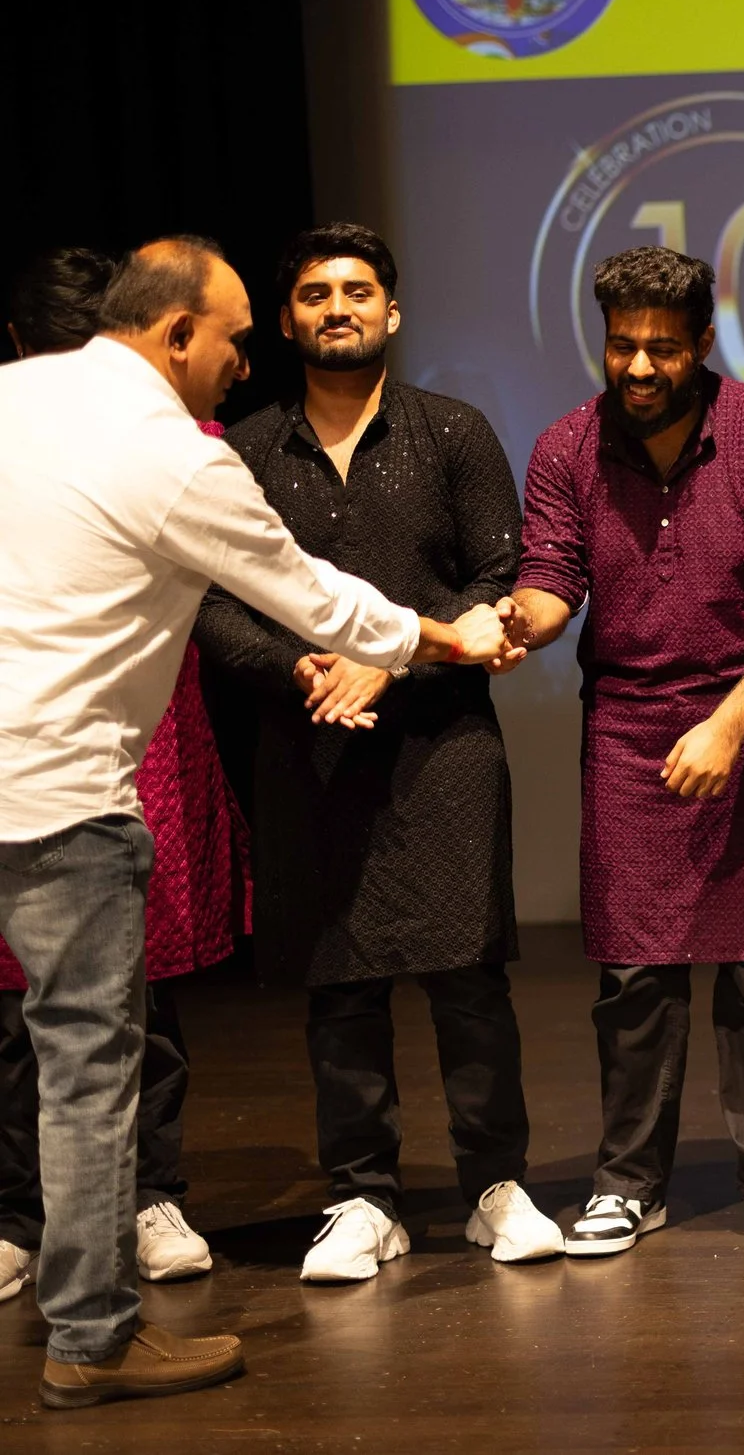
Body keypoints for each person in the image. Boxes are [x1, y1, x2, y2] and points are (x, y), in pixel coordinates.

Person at [0, 236, 516, 1408]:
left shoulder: (14, 396)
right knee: (86, 1069)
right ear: (177, 331)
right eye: (233, 339)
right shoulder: (177, 454)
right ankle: (90, 1337)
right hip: (59, 792)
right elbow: (308, 594)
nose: (241, 364)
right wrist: (442, 635)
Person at [191, 224, 561, 1282]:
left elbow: (495, 578)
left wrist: (386, 663)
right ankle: (363, 1197)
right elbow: (213, 600)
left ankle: (496, 1186)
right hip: (308, 740)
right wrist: (302, 669)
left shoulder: (452, 431)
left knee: (467, 978)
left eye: (357, 290)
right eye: (315, 293)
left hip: (444, 740)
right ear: (285, 320)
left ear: (391, 312)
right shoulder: (242, 451)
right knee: (338, 983)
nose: (337, 308)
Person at [501, 245, 744, 1258]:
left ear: (703, 342)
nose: (641, 366)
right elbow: (551, 575)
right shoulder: (568, 446)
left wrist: (731, 723)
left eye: (663, 347)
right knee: (633, 975)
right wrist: (517, 621)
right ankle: (628, 1182)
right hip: (629, 727)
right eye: (623, 346)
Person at [3, 246, 247, 1299]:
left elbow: (252, 584)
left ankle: (149, 1193)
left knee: (131, 983)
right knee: (20, 997)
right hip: (24, 738)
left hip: (146, 735)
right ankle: (22, 1214)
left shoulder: (178, 440)